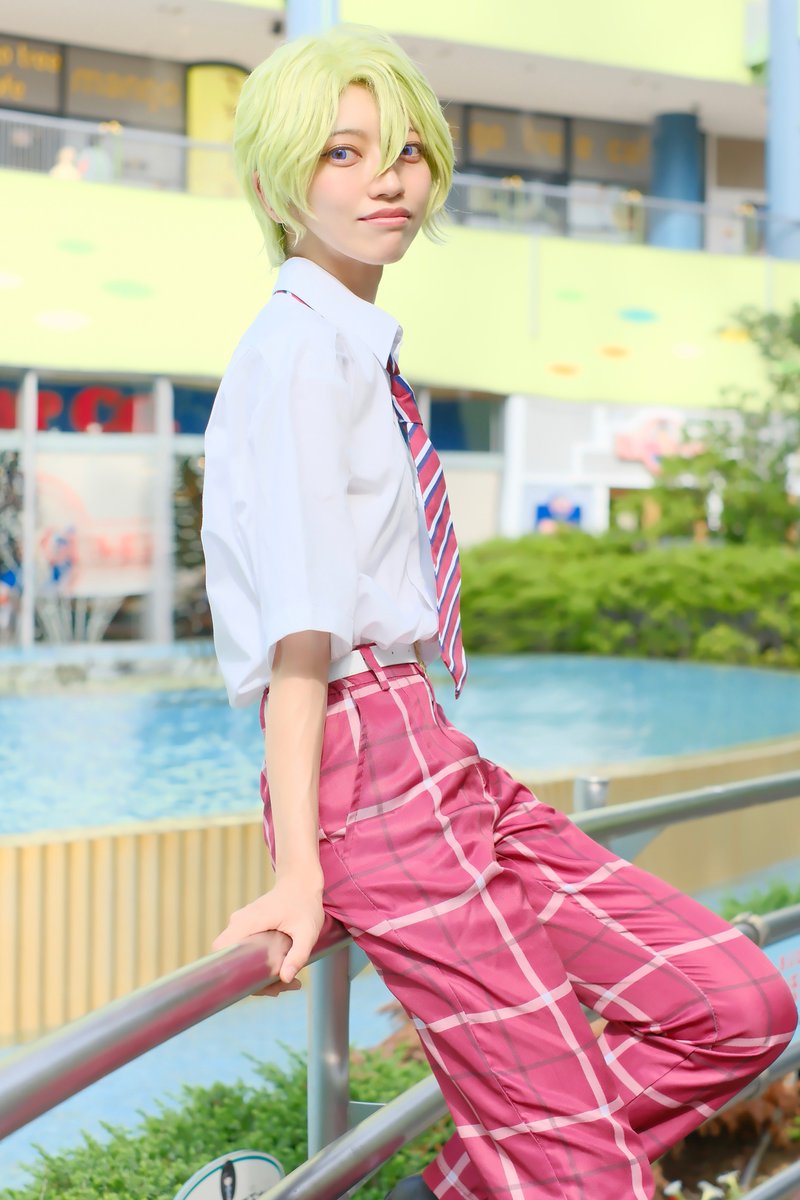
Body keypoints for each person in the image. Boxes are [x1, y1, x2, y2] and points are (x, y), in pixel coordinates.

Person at [201, 24, 797, 1200]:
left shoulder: (349, 350)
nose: (387, 178)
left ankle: (500, 1176)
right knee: (587, 1171)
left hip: (429, 750)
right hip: (365, 766)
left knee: (735, 1008)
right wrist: (299, 872)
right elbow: (298, 640)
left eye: (407, 150)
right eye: (342, 152)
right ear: (274, 184)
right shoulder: (298, 357)